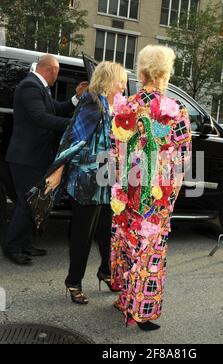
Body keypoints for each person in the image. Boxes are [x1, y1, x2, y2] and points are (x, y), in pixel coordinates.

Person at [110, 45, 192, 331]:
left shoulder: (125, 106)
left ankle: (124, 298)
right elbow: (183, 159)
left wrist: (117, 187)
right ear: (164, 74)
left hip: (126, 192)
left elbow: (114, 149)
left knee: (128, 242)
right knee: (150, 250)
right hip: (157, 195)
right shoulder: (175, 112)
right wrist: (170, 199)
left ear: (142, 72)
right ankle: (142, 310)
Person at [46, 61, 127, 304]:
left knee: (107, 231)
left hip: (107, 179)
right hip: (87, 180)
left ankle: (106, 271)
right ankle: (73, 281)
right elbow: (73, 138)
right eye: (121, 80)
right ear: (110, 80)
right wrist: (57, 169)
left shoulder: (114, 105)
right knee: (83, 234)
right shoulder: (93, 101)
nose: (124, 85)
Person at [3, 54, 88, 266]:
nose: (56, 77)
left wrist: (75, 98)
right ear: (51, 70)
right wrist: (75, 126)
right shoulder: (30, 86)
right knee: (27, 203)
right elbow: (41, 118)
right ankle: (12, 247)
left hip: (35, 157)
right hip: (25, 158)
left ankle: (25, 244)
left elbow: (54, 109)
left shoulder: (39, 87)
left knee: (34, 203)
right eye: (57, 73)